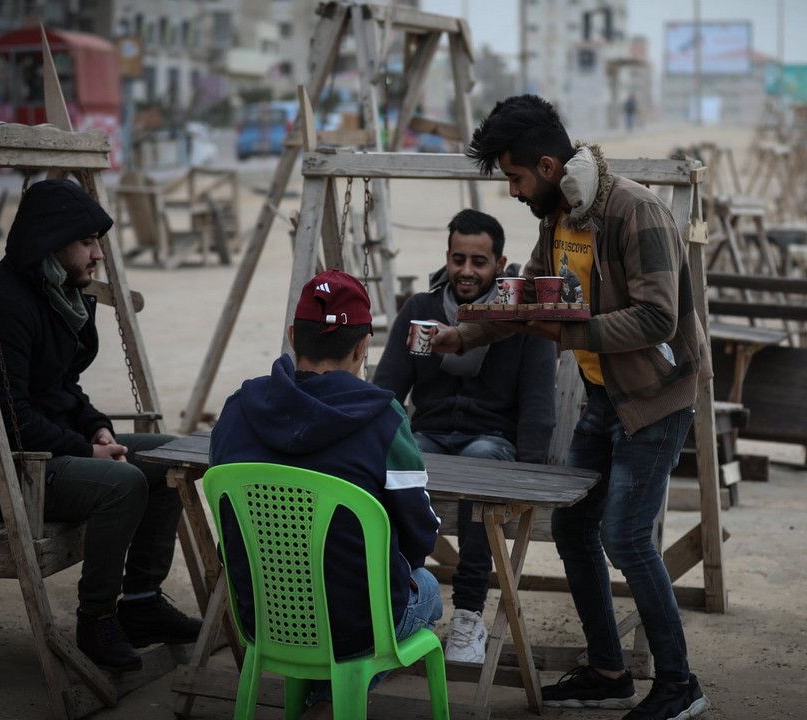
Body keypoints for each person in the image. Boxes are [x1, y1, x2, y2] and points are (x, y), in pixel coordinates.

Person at [426, 94, 715, 719]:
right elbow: (525, 297)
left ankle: (678, 684)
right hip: (604, 397)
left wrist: (568, 334)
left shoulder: (636, 212)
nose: (512, 191)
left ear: (550, 166)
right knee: (574, 526)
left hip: (655, 400)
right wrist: (466, 333)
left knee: (626, 535)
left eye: (515, 176)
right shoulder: (557, 218)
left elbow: (659, 319)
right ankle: (609, 672)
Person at [0, 178, 201, 673]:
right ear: (52, 242)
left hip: (44, 452)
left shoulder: (59, 294)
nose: (98, 254)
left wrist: (97, 429)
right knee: (121, 483)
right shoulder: (0, 307)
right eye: (87, 242)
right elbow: (8, 417)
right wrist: (85, 450)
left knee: (168, 456)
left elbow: (64, 389)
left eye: (97, 241)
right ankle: (96, 618)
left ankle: (141, 603)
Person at [209, 269, 442, 717]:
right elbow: (419, 538)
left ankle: (320, 698)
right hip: (354, 628)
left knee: (338, 592)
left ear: (293, 335)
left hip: (264, 618)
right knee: (425, 587)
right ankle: (330, 701)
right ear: (363, 346)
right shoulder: (384, 419)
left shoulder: (238, 408)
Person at [373, 209, 557, 664]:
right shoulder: (421, 310)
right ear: (448, 258)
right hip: (431, 437)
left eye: (479, 261)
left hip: (491, 442)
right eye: (459, 259)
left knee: (480, 471)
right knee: (388, 472)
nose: (467, 271)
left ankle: (468, 615)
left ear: (501, 262)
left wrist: (530, 479)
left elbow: (538, 403)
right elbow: (386, 393)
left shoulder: (520, 319)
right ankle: (398, 602)